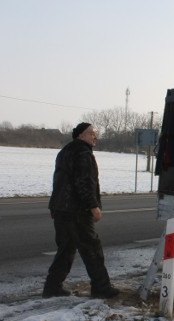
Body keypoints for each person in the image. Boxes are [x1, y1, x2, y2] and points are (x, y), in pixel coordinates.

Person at [42, 122, 120, 299]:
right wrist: (93, 206)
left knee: (66, 249)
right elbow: (83, 183)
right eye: (91, 133)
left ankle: (52, 287)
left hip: (61, 209)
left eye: (95, 133)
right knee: (92, 248)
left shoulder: (65, 151)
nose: (95, 136)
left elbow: (60, 181)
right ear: (80, 135)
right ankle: (101, 287)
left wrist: (56, 205)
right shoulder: (83, 153)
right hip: (77, 210)